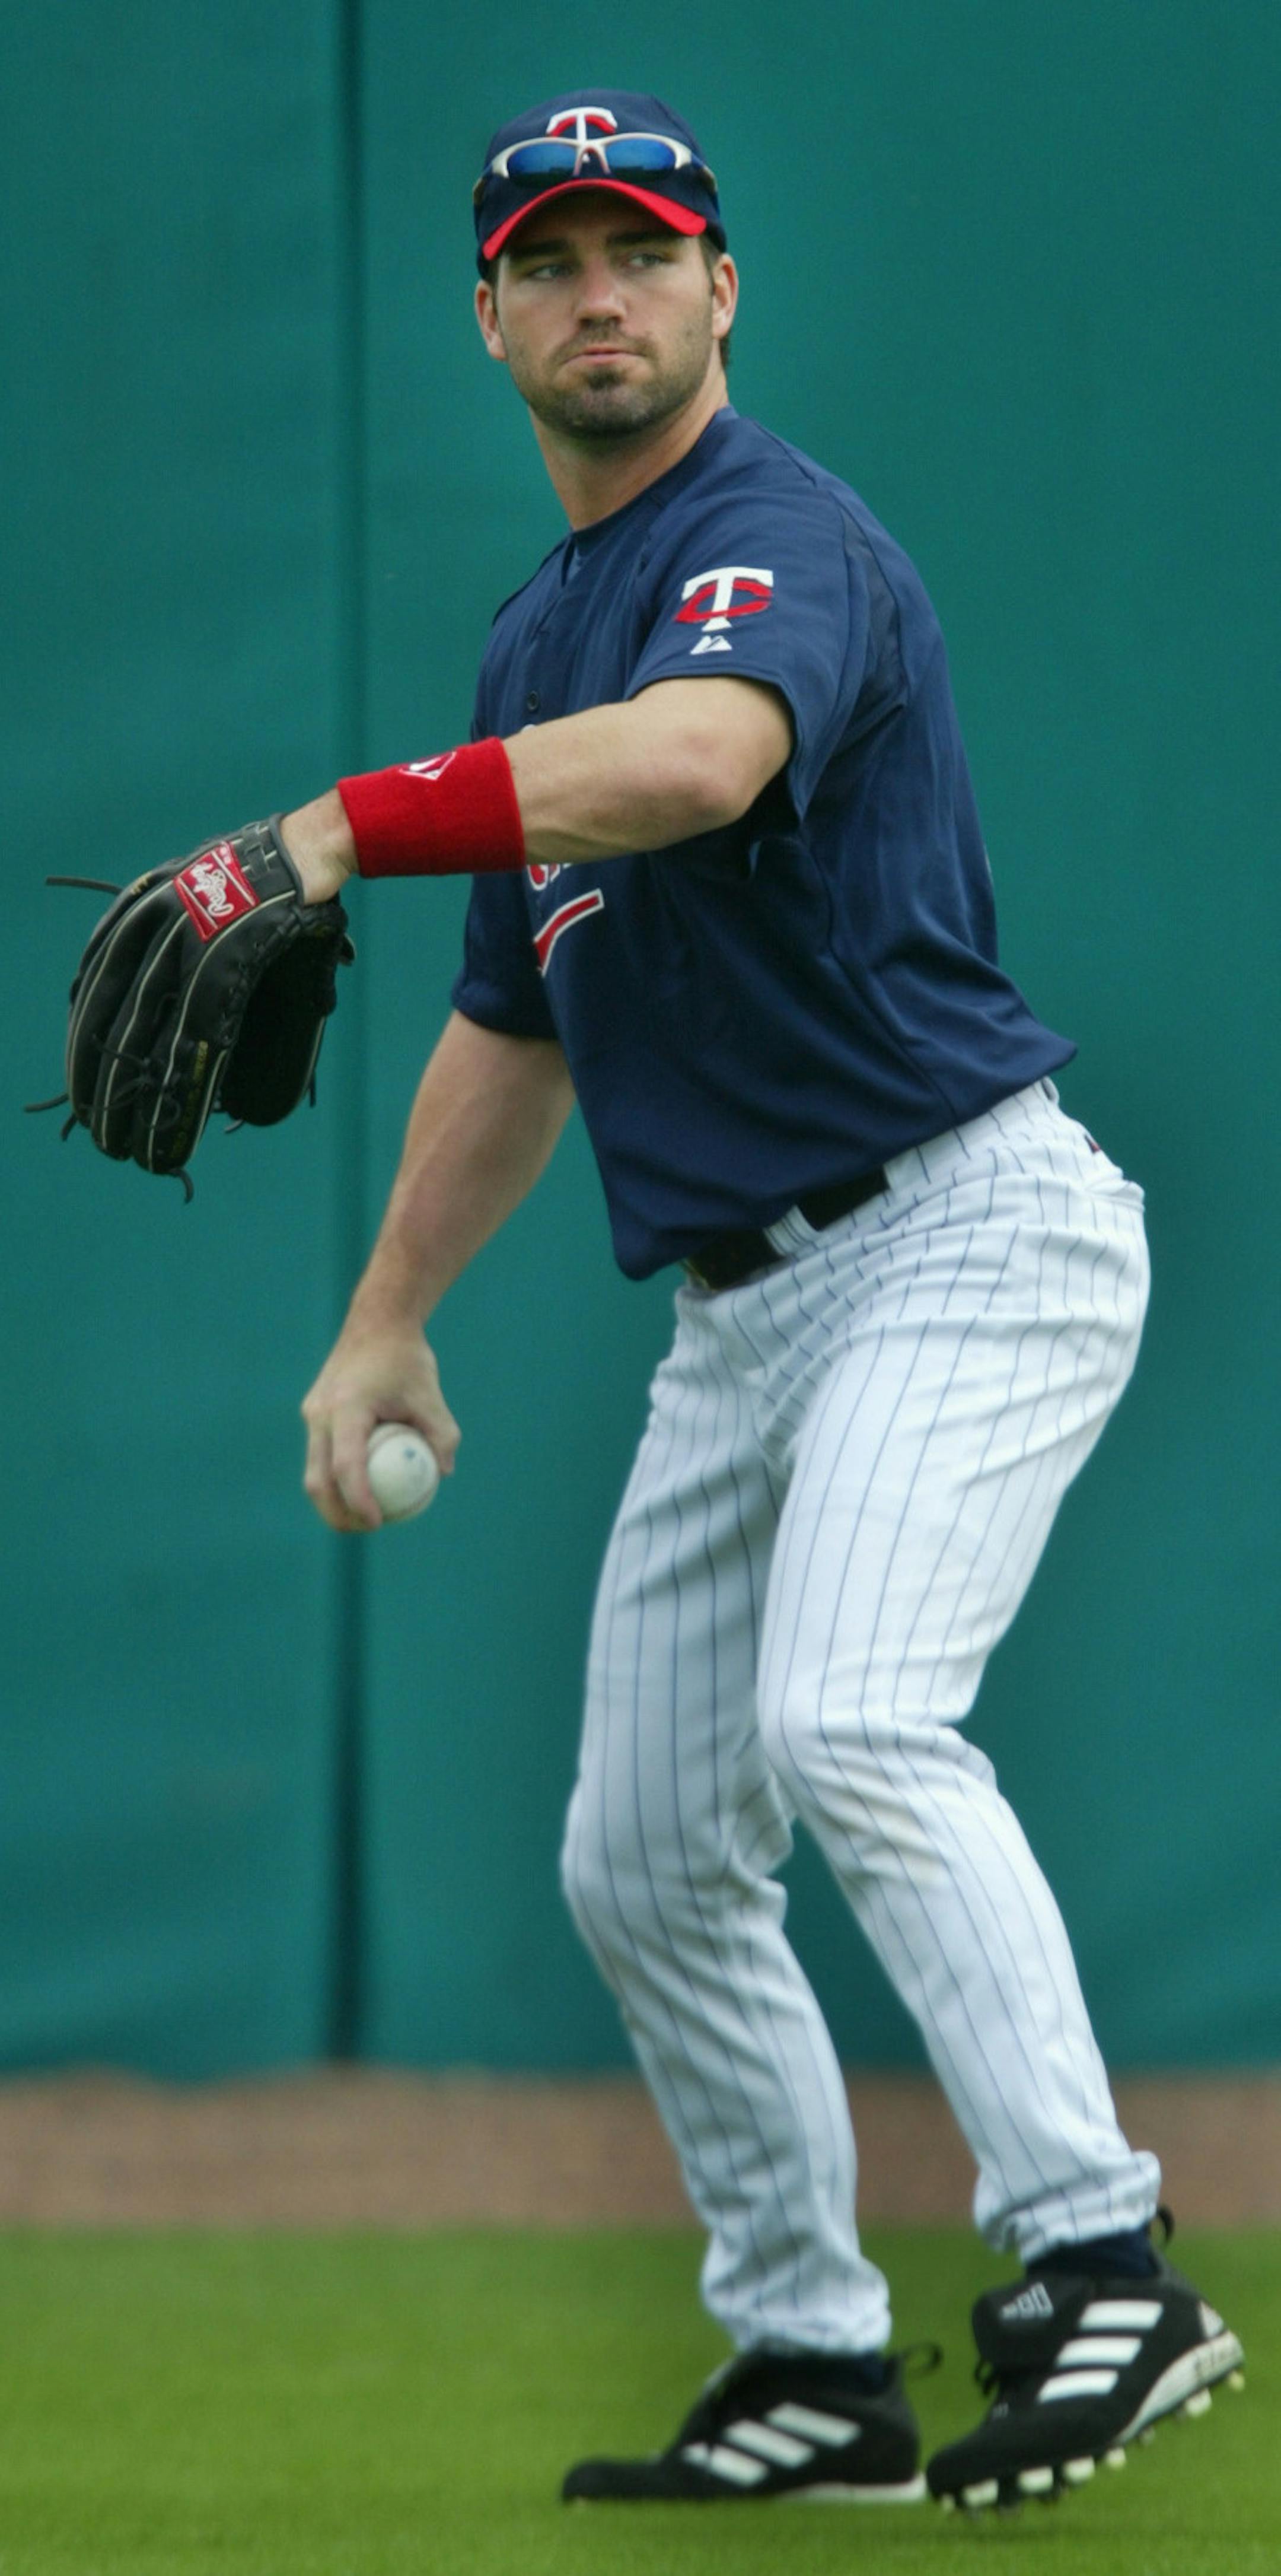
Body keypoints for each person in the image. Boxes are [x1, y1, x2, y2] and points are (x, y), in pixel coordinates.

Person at [286, 90, 1242, 2511]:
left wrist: (344, 825)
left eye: (641, 249)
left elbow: (700, 765)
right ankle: (814, 2354)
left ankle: (1103, 2262)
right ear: (488, 318)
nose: (597, 292)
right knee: (636, 1855)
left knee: (852, 1721)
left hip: (961, 1234)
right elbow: (517, 1025)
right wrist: (385, 1315)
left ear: (723, 291)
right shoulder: (537, 641)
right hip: (745, 1322)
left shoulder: (770, 539)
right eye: (548, 260)